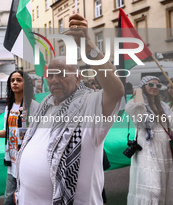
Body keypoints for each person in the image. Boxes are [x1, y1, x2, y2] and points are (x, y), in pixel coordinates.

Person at [15, 13, 124, 204]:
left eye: (62, 74)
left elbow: (116, 90)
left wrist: (88, 46)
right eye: (51, 75)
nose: (55, 80)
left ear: (78, 78)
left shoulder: (90, 105)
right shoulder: (44, 107)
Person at [0, 71, 39, 205]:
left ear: (25, 83)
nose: (15, 83)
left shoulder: (34, 106)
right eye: (12, 80)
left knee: (27, 199)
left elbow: (39, 135)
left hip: (27, 163)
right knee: (8, 200)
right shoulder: (8, 107)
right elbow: (6, 132)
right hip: (12, 163)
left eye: (19, 80)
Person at [125, 76, 173, 204]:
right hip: (146, 149)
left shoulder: (163, 106)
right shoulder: (134, 103)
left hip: (164, 149)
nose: (154, 88)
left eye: (157, 86)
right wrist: (139, 92)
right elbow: (142, 119)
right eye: (150, 85)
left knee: (163, 188)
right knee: (152, 190)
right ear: (143, 87)